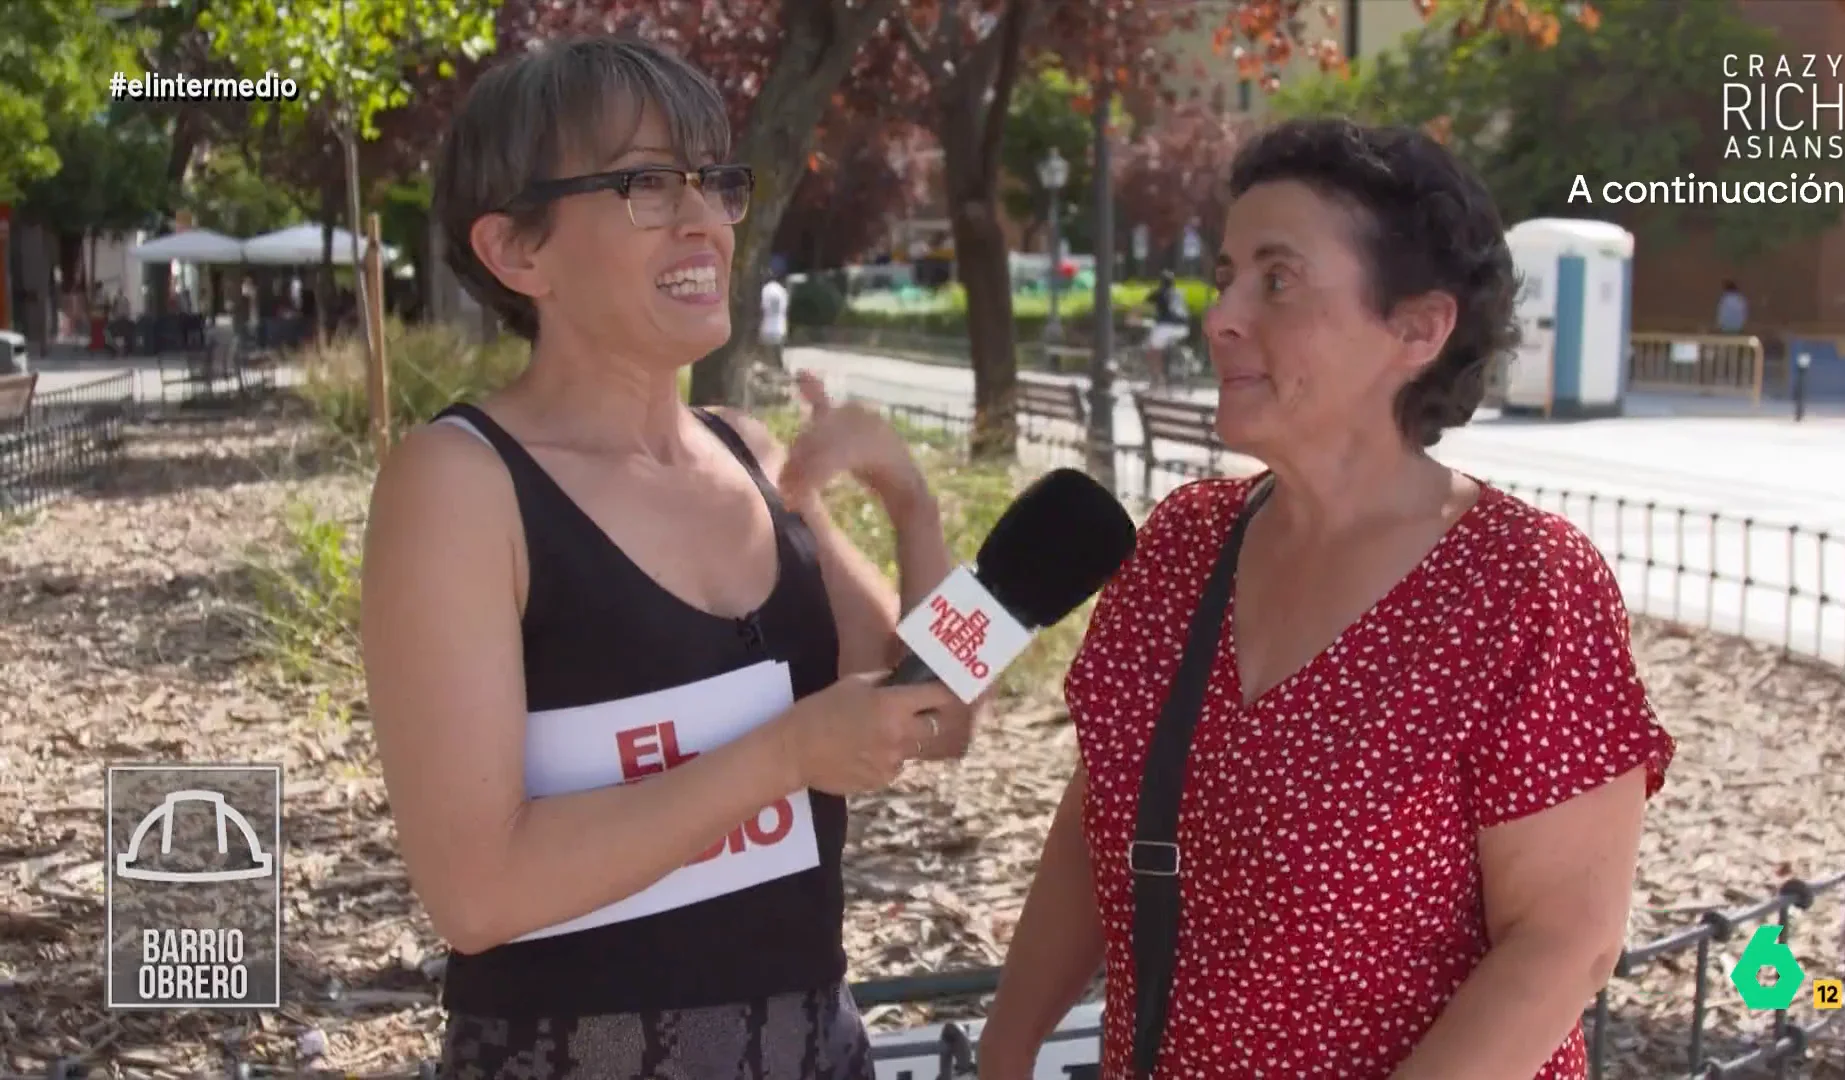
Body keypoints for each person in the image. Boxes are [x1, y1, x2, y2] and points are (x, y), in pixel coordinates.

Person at [977, 118, 1675, 1080]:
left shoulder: (1520, 583)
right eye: (1225, 276)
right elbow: (1104, 815)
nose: (1221, 315)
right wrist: (1005, 1052)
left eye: (1278, 279)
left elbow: (1564, 939)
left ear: (1419, 329)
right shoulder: (1183, 545)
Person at [359, 35, 977, 1078]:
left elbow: (939, 718)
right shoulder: (458, 484)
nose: (705, 220)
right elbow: (474, 893)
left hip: (814, 1044)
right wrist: (784, 757)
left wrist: (913, 509)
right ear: (519, 252)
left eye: (714, 180)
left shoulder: (749, 454)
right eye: (646, 183)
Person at [1142, 270, 1189, 391]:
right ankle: (1172, 367)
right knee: (1164, 346)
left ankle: (1157, 379)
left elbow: (1142, 306)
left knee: (1153, 349)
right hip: (1183, 328)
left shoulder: (1159, 293)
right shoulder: (1179, 293)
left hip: (1166, 327)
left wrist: (1131, 316)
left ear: (1161, 282)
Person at [761, 271, 790, 369]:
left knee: (768, 358)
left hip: (767, 328)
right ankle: (780, 371)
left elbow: (763, 308)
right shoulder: (782, 290)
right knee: (778, 355)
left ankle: (771, 374)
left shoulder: (766, 290)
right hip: (780, 328)